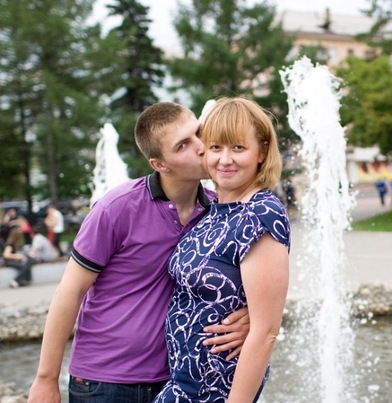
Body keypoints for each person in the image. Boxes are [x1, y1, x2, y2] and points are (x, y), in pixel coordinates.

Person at [28, 102, 250, 403]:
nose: (201, 147)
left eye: (198, 133)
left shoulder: (218, 211)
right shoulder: (117, 208)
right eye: (183, 145)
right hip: (104, 383)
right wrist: (46, 379)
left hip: (179, 379)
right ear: (160, 164)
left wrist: (250, 317)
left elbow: (244, 284)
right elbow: (70, 291)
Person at [153, 97, 290, 402]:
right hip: (181, 385)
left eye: (238, 148)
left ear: (262, 151)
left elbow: (266, 332)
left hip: (214, 392)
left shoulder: (260, 214)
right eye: (216, 147)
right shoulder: (215, 208)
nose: (225, 160)